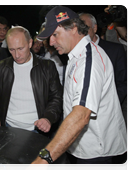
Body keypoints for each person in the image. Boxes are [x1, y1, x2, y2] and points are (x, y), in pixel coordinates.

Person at [26, 6, 128, 170]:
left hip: (95, 152)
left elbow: (81, 115)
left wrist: (42, 160)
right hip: (83, 147)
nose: (51, 42)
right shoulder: (76, 55)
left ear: (73, 28)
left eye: (55, 35)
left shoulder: (89, 61)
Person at [0, 26, 63, 135]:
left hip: (37, 129)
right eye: (12, 50)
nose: (17, 55)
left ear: (30, 43)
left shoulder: (47, 66)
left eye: (20, 48)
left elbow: (56, 97)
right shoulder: (1, 67)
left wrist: (48, 118)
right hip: (8, 128)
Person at [79, 13, 129, 104]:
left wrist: (108, 104)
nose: (82, 33)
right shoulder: (75, 54)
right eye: (78, 30)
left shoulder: (115, 50)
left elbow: (123, 83)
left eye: (85, 28)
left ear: (95, 28)